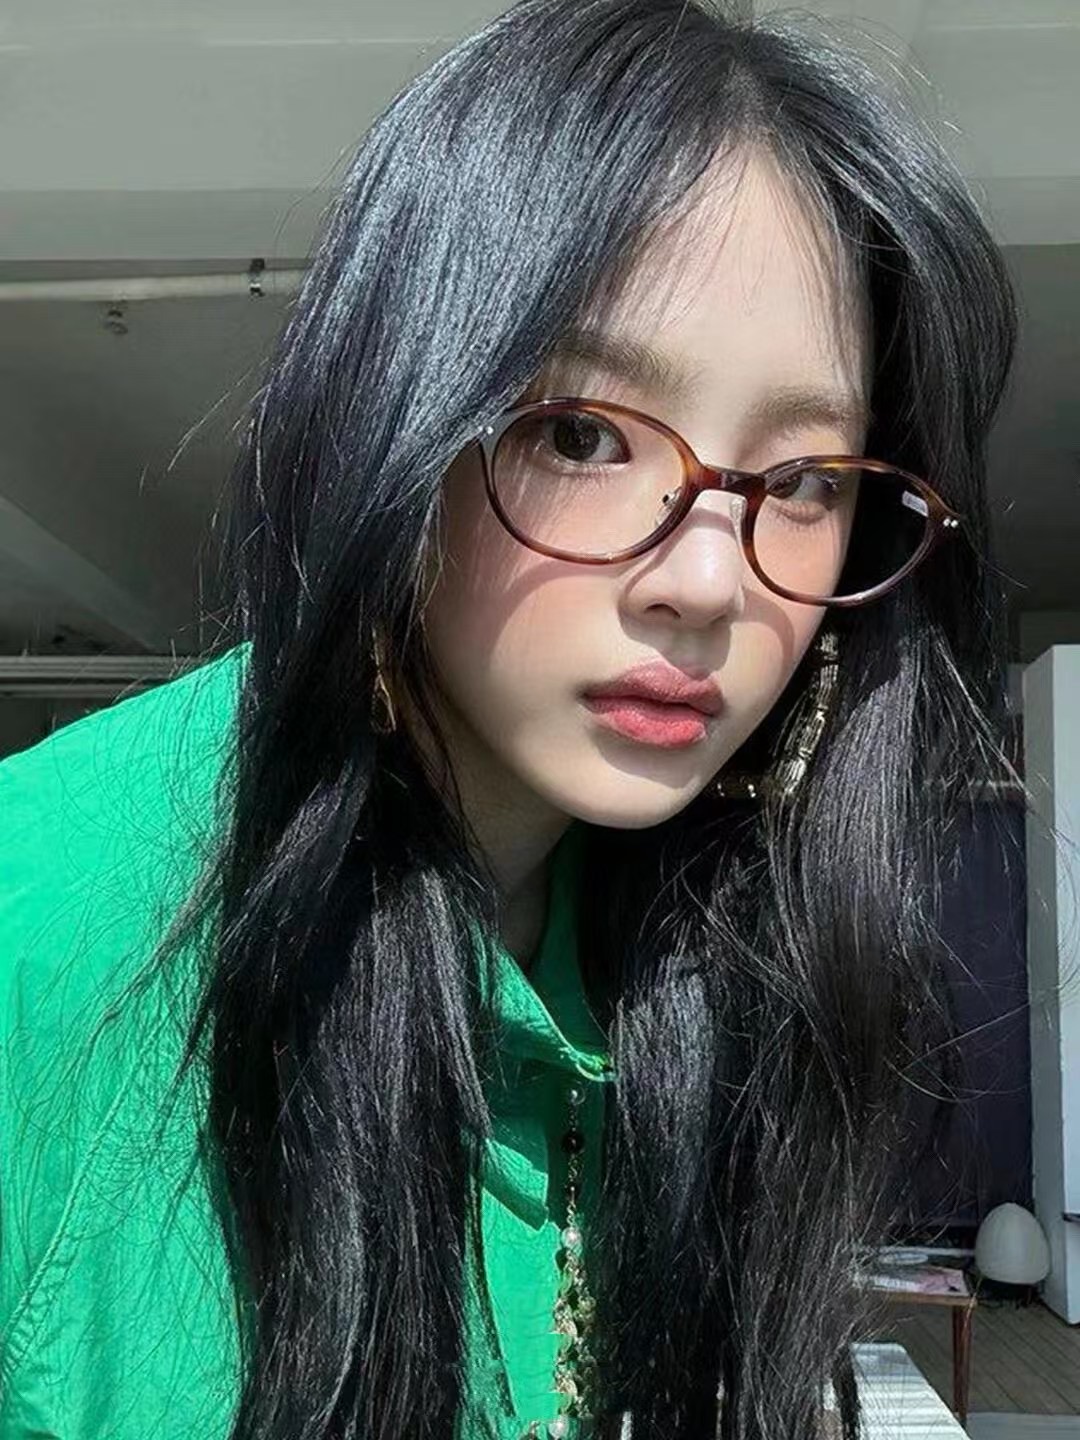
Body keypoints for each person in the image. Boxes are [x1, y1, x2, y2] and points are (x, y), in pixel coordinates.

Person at [0, 1, 1019, 1437]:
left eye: (803, 481)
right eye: (582, 435)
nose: (709, 582)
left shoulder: (712, 932)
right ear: (397, 416)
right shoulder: (51, 930)